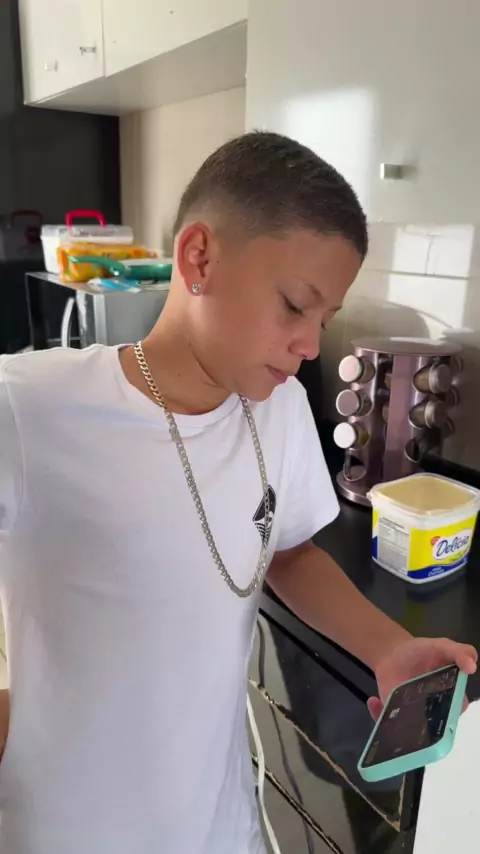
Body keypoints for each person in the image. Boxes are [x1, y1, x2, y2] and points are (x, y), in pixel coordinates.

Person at [0, 131, 476, 854]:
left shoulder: (278, 407)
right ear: (199, 257)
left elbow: (289, 551)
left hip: (219, 824)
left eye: (324, 318)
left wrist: (389, 646)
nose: (311, 344)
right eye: (294, 305)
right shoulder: (29, 407)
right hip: (71, 828)